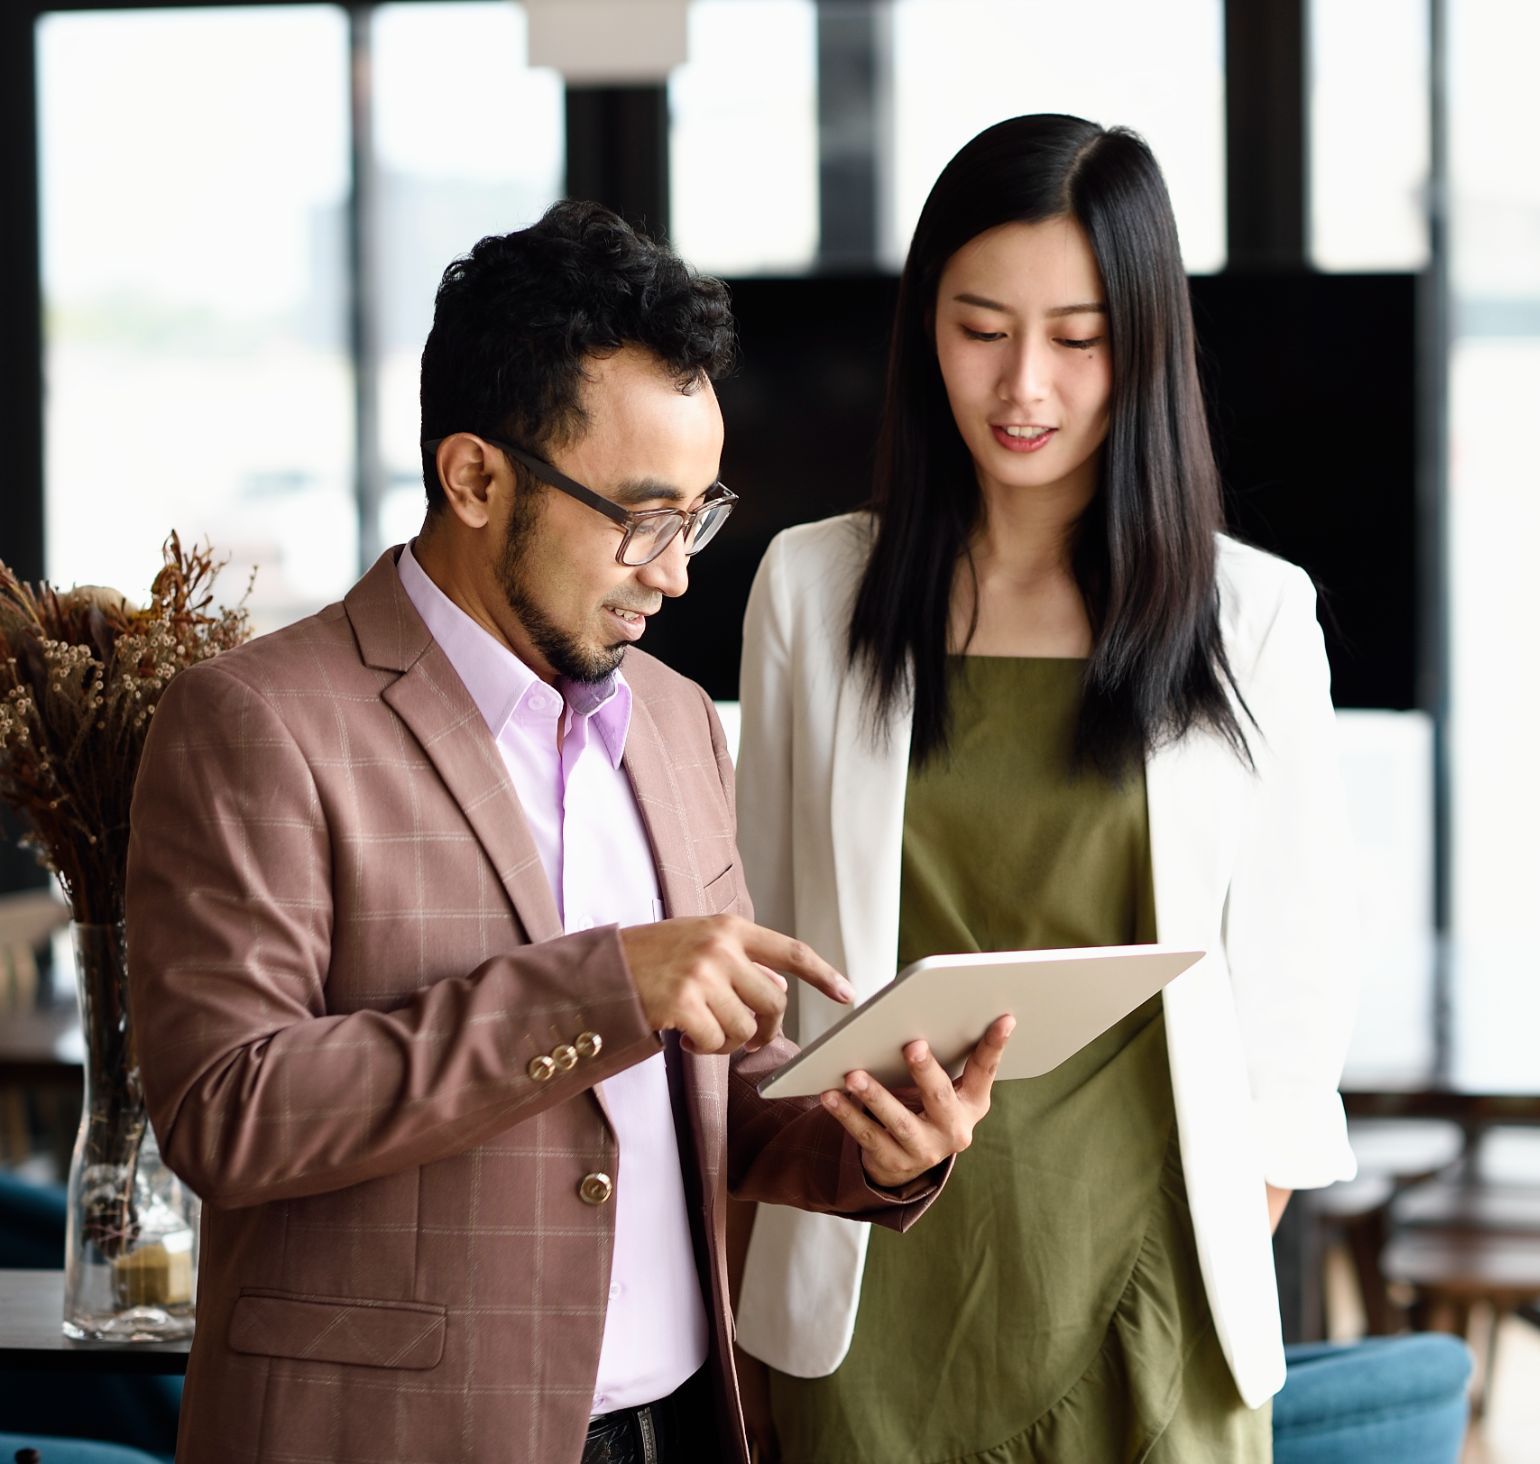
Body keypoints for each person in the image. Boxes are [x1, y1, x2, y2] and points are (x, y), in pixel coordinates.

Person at [124, 201, 1012, 1464]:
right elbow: (229, 1110)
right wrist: (601, 988)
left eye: (698, 516)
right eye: (643, 519)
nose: (677, 571)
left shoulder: (674, 718)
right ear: (475, 477)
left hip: (676, 1430)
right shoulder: (256, 722)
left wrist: (872, 1145)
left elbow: (710, 1086)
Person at [731, 115, 1359, 1462]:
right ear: (922, 333)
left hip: (1152, 1286)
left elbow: (1293, 1012)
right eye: (981, 327)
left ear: (1146, 347)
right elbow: (768, 974)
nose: (1027, 384)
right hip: (868, 1284)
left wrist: (1196, 1244)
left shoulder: (1252, 615)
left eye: (1080, 338)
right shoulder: (812, 590)